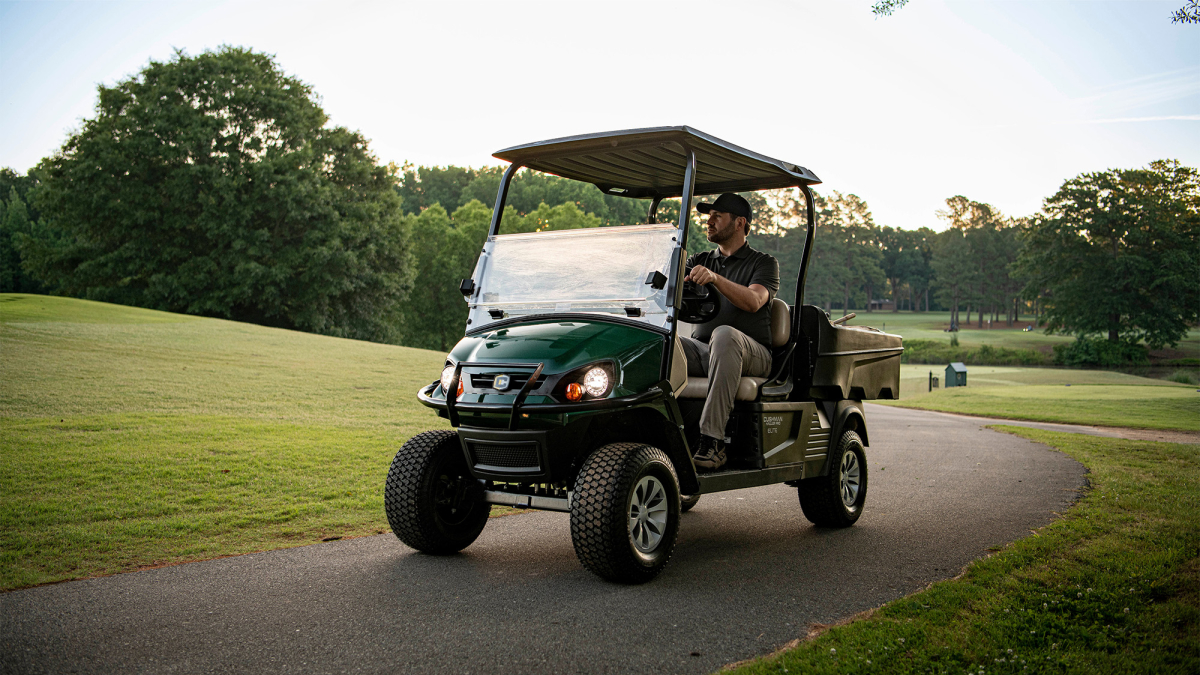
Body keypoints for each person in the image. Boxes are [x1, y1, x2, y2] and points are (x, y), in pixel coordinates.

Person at [680, 193, 779, 471]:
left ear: (739, 223)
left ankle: (713, 442)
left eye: (717, 216)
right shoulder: (699, 260)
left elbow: (753, 301)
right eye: (708, 216)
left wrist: (715, 278)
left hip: (752, 353)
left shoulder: (763, 263)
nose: (709, 222)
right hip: (703, 351)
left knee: (725, 334)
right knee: (661, 343)